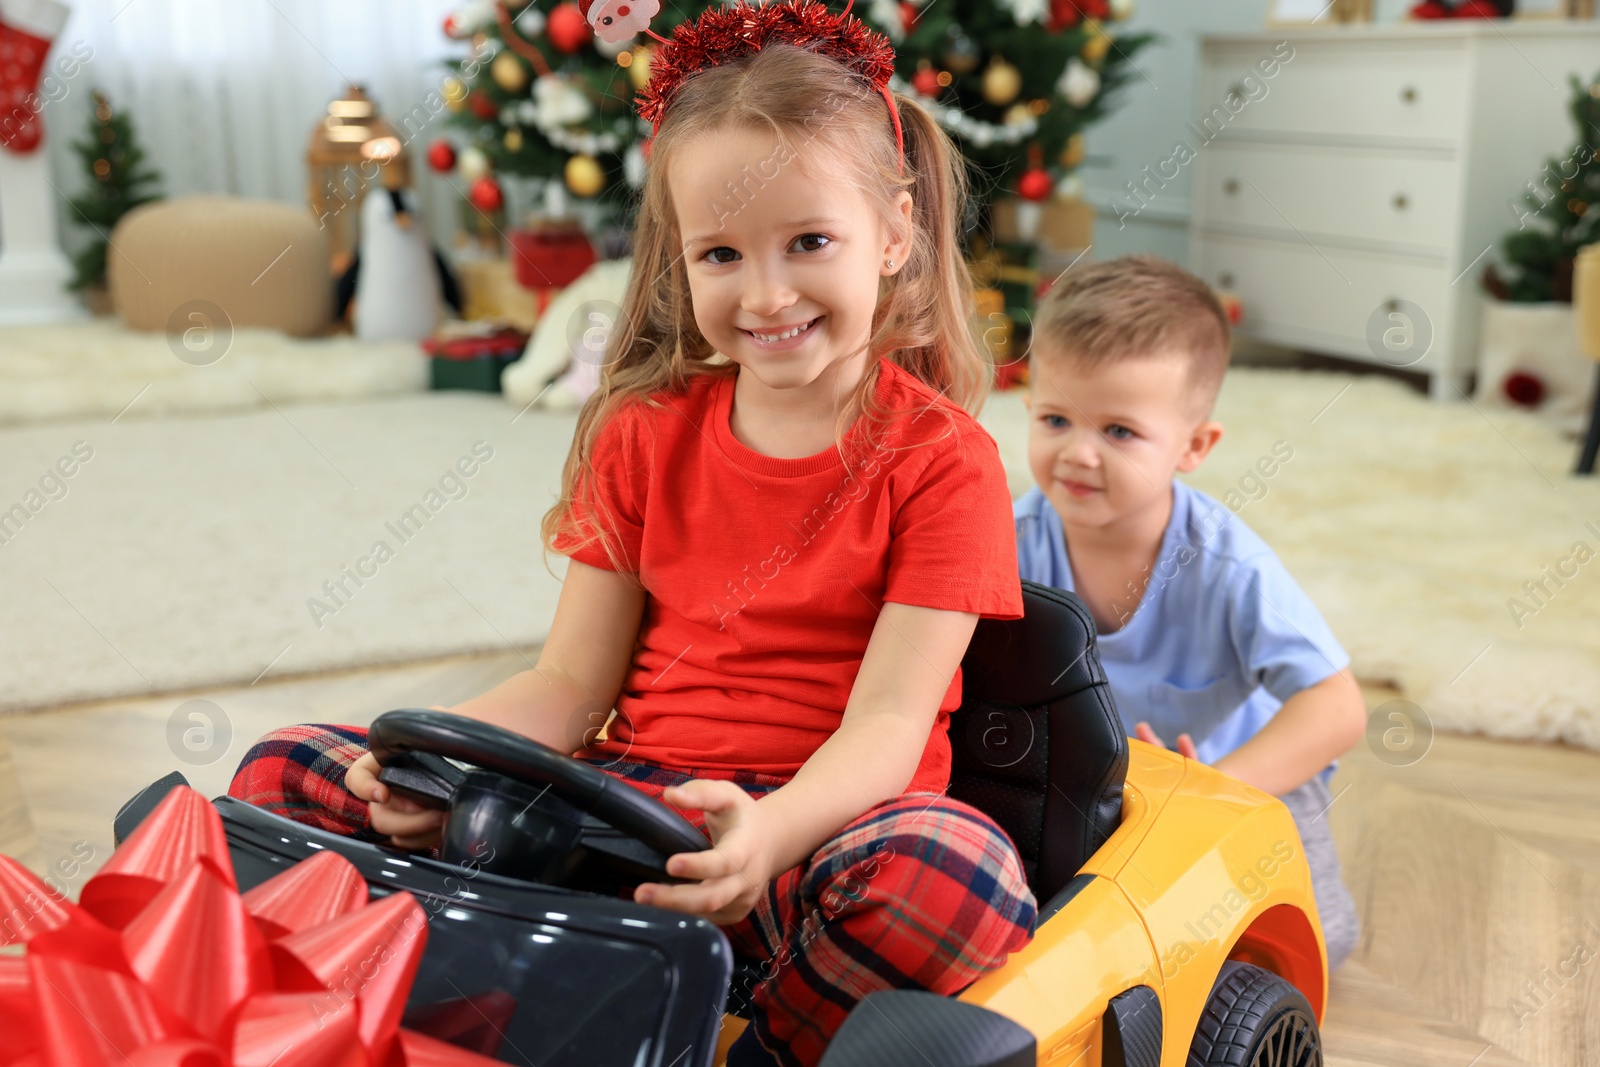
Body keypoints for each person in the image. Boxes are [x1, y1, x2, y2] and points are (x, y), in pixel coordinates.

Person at [226, 6, 1035, 1065]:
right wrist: (417, 761)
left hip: (809, 839)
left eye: (810, 242)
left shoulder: (943, 460)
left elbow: (887, 729)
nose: (767, 292)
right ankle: (412, 1004)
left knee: (949, 873)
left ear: (894, 232)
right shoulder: (645, 431)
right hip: (622, 812)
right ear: (680, 258)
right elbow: (567, 683)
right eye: (722, 253)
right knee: (282, 766)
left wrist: (768, 835)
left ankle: (729, 1033)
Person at [1013, 254, 1365, 971]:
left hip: (1233, 775)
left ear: (1195, 446)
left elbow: (1337, 709)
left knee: (1305, 945)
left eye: (1119, 431)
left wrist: (1214, 788)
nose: (1078, 453)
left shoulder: (1228, 566)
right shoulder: (1008, 542)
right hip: (1093, 779)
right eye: (1056, 418)